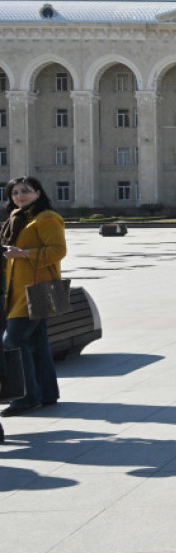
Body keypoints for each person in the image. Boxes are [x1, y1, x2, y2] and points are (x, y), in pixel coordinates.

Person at [0, 177, 66, 418]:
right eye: (15, 193)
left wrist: (23, 253)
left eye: (25, 191)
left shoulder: (46, 218)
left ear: (38, 192)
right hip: (19, 290)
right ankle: (47, 393)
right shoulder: (17, 219)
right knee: (37, 343)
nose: (20, 196)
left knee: (13, 341)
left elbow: (59, 251)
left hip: (39, 289)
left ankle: (26, 398)